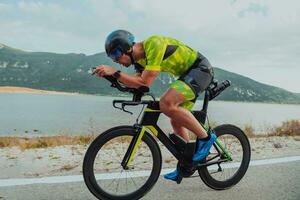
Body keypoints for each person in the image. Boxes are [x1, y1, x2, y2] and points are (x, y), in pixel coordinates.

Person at [94, 30, 217, 182]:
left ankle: (206, 138)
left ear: (127, 47)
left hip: (201, 70)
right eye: (111, 57)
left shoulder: (154, 44)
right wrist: (112, 77)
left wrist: (116, 73)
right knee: (175, 121)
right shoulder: (140, 62)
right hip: (187, 75)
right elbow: (138, 84)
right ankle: (188, 162)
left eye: (115, 54)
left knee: (166, 104)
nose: (115, 60)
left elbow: (145, 82)